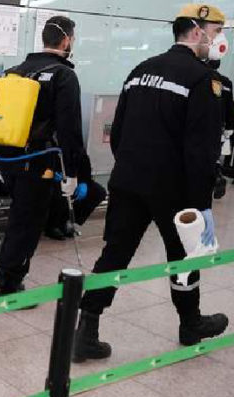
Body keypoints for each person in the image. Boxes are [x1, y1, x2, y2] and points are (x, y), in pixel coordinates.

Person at [73, 4, 229, 363]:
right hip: (172, 189)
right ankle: (190, 324)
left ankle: (86, 328)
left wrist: (130, 167)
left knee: (115, 253)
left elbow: (117, 133)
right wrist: (200, 205)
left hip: (128, 180)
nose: (219, 39)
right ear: (196, 30)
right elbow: (201, 151)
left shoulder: (140, 71)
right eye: (216, 30)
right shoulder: (203, 80)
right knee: (184, 258)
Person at [0, 16, 85, 298]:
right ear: (67, 40)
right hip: (38, 158)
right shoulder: (63, 75)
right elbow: (69, 129)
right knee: (27, 223)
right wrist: (73, 170)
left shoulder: (15, 70)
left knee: (20, 217)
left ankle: (6, 273)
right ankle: (8, 286)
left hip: (8, 158)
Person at [44, 153, 107, 240]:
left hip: (74, 179)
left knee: (98, 192)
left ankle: (66, 220)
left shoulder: (75, 144)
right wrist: (51, 173)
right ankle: (52, 224)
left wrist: (84, 181)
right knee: (59, 194)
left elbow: (84, 161)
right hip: (51, 179)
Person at [208, 57, 234, 199]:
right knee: (215, 154)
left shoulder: (208, 79)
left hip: (207, 122)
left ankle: (216, 177)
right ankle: (217, 175)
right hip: (221, 123)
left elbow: (214, 101)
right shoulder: (226, 81)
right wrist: (230, 126)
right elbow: (229, 105)